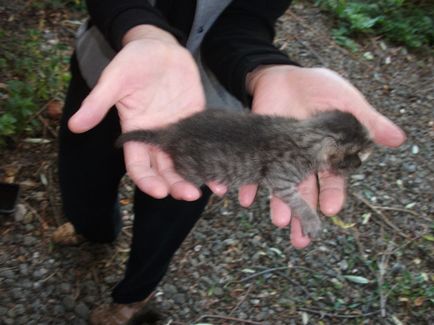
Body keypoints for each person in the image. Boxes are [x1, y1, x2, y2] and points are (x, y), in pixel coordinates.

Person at [54, 0, 406, 324]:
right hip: (108, 69)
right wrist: (143, 31)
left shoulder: (296, 139)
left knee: (166, 219)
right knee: (84, 186)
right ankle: (94, 230)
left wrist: (268, 70)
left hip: (213, 113)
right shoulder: (300, 150)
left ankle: (133, 295)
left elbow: (243, 22)